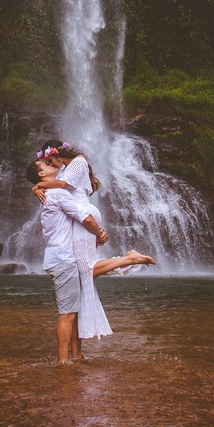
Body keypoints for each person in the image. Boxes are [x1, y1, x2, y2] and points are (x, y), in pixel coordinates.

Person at [26, 155, 154, 362]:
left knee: (75, 309)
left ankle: (76, 356)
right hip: (63, 259)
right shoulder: (57, 193)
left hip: (63, 257)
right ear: (41, 174)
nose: (52, 164)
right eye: (46, 164)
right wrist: (98, 233)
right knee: (68, 313)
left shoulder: (53, 191)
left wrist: (37, 187)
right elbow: (84, 217)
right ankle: (63, 363)